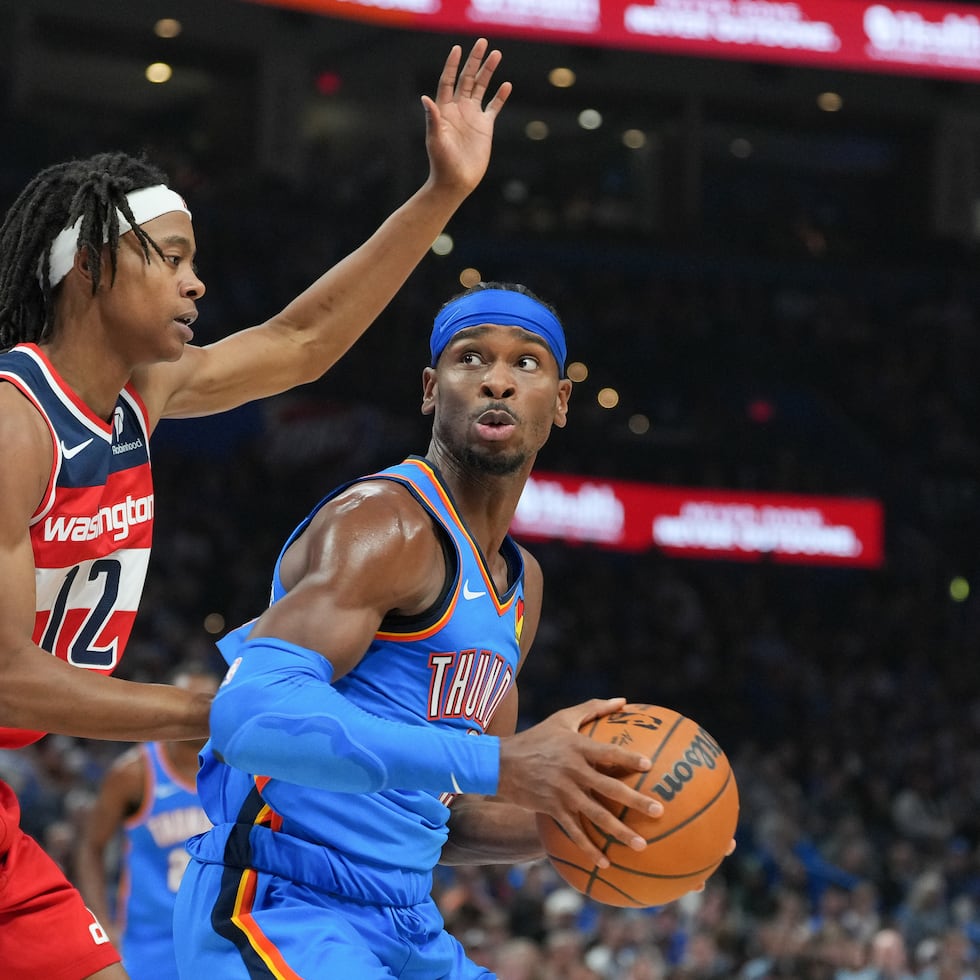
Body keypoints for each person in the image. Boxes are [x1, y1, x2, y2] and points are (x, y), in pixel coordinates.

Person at [0, 38, 510, 980]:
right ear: (89, 269)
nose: (197, 283)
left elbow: (302, 339)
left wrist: (442, 193)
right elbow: (3, 679)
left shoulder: (134, 399)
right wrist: (204, 710)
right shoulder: (14, 425)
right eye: (175, 259)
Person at [174, 281, 671, 979]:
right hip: (283, 901)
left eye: (526, 363)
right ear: (432, 390)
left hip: (405, 918)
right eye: (472, 359)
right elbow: (248, 717)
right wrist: (504, 764)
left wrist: (604, 832)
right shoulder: (384, 524)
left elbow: (446, 817)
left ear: (560, 403)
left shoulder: (520, 585)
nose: (497, 379)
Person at [73, 664, 222, 980]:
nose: (196, 711)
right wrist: (100, 920)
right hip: (147, 944)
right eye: (186, 700)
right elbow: (90, 846)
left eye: (205, 702)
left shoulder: (241, 770)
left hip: (218, 938)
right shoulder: (133, 773)